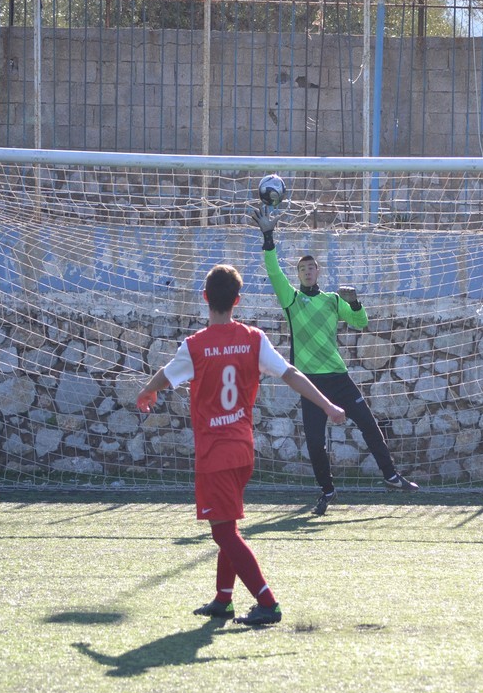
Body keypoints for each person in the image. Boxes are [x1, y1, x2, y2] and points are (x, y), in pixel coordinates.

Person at [137, 263, 346, 626]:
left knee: (222, 532)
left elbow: (166, 376)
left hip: (214, 454)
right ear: (238, 300)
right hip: (242, 450)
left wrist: (146, 391)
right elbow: (291, 373)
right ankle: (223, 599)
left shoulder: (194, 346)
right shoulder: (254, 339)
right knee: (228, 526)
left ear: (205, 298)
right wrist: (327, 405)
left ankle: (267, 602)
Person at [252, 179, 419, 517]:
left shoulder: (331, 300)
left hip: (338, 377)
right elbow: (273, 272)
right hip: (310, 382)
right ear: (298, 275)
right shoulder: (291, 299)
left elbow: (360, 322)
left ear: (318, 271)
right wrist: (268, 238)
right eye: (302, 268)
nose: (307, 271)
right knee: (316, 441)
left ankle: (390, 475)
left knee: (368, 424)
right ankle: (327, 491)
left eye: (311, 267)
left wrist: (354, 302)